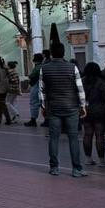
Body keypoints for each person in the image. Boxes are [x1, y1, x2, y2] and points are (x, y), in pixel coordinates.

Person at [39, 43, 87, 177]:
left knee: (54, 138)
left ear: (52, 53)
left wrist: (43, 106)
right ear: (64, 52)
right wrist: (82, 105)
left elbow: (41, 90)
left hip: (53, 107)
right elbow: (80, 88)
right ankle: (76, 168)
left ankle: (54, 167)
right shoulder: (73, 67)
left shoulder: (45, 68)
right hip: (71, 106)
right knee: (73, 138)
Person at [81, 62, 105, 168]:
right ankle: (102, 160)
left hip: (86, 111)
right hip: (99, 111)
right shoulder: (100, 82)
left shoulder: (82, 81)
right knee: (100, 135)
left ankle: (88, 159)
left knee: (87, 134)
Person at [25, 53, 45, 127]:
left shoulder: (37, 67)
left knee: (33, 103)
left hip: (36, 86)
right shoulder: (44, 66)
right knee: (44, 104)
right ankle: (46, 120)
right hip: (44, 87)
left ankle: (33, 120)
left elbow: (32, 76)